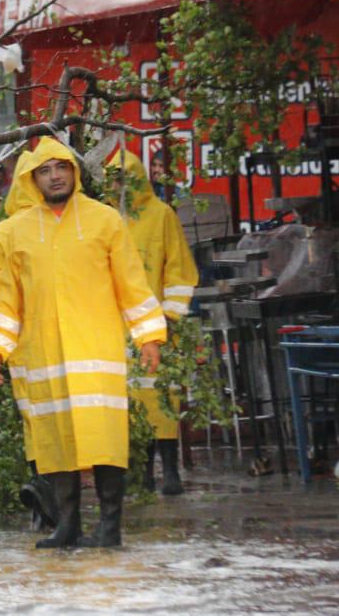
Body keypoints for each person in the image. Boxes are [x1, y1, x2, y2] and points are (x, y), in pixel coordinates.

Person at [0, 136, 165, 548]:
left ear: (74, 172)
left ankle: (110, 526)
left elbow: (131, 283)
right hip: (43, 354)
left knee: (104, 440)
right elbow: (7, 298)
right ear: (32, 179)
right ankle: (68, 526)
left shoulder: (103, 220)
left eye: (61, 167)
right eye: (44, 171)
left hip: (97, 351)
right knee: (55, 442)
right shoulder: (19, 232)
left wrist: (149, 336)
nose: (55, 176)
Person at [0, 150, 58, 528]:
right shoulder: (59, 224)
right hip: (66, 341)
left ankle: (44, 496)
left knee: (35, 422)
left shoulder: (2, 234)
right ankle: (56, 499)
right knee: (65, 423)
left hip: (21, 348)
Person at [106, 148, 199, 496]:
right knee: (132, 403)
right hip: (117, 328)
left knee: (162, 401)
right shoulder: (108, 218)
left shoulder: (161, 216)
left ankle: (170, 471)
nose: (120, 187)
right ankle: (143, 472)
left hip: (157, 327)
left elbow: (177, 268)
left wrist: (171, 316)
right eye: (114, 181)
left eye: (124, 180)